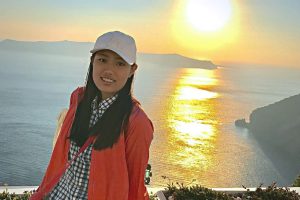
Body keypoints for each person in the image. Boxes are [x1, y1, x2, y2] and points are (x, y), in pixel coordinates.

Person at [30, 31, 154, 200]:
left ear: (132, 70)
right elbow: (61, 159)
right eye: (102, 60)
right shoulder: (78, 100)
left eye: (120, 63)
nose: (109, 70)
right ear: (92, 61)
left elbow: (135, 186)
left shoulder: (136, 123)